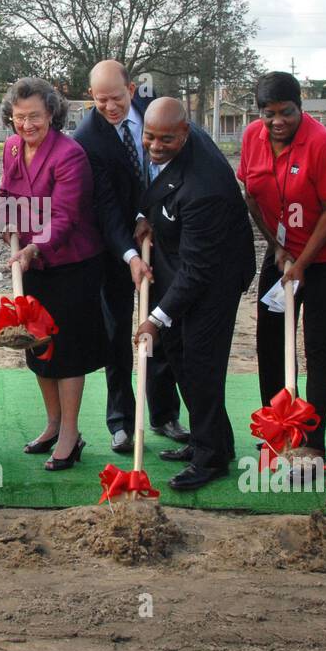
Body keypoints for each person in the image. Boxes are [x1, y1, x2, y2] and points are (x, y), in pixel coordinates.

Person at [135, 98, 255, 491]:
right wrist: (146, 217)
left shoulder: (205, 189)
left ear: (184, 133)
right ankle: (214, 439)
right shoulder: (180, 140)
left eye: (165, 139)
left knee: (202, 364)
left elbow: (197, 272)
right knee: (180, 354)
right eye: (149, 136)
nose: (154, 145)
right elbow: (159, 191)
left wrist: (155, 318)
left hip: (215, 277)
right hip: (184, 263)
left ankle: (212, 459)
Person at [237, 71, 326, 461]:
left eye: (285, 112)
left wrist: (303, 262)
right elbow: (251, 194)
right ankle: (277, 428)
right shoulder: (252, 136)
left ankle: (313, 441)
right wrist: (276, 247)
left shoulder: (321, 144)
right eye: (268, 113)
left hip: (324, 260)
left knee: (317, 345)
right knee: (270, 340)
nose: (277, 122)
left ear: (299, 106)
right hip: (283, 253)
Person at [74, 60, 187, 455]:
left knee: (162, 324)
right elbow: (104, 207)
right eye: (101, 99)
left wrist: (153, 218)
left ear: (133, 89)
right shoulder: (88, 137)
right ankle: (121, 422)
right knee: (118, 332)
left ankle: (164, 414)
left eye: (117, 98)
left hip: (164, 237)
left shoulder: (158, 112)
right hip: (117, 246)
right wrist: (128, 255)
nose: (110, 107)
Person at [0, 77, 106, 471]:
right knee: (38, 347)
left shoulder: (69, 155)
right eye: (20, 117)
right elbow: (7, 193)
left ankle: (71, 435)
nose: (27, 125)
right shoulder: (11, 147)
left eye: (36, 117)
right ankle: (53, 424)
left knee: (67, 351)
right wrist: (7, 221)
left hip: (70, 265)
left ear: (52, 115)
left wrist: (33, 247)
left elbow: (63, 216)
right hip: (31, 265)